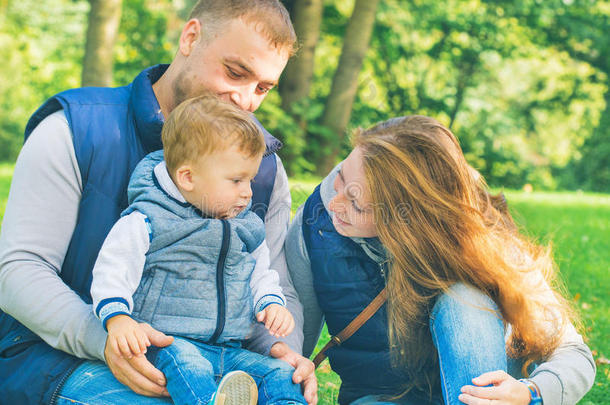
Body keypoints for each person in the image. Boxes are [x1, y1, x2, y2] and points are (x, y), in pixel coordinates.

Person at [0, 1, 317, 404]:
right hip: (55, 359)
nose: (246, 100)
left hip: (214, 360)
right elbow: (20, 271)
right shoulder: (75, 128)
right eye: (236, 73)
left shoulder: (265, 170)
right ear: (190, 38)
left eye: (263, 88)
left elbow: (275, 284)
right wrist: (111, 340)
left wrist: (281, 347)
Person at [285, 116, 596, 405]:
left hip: (476, 385)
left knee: (464, 297)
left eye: (358, 204)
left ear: (408, 220)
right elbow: (294, 338)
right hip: (381, 395)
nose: (335, 203)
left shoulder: (481, 236)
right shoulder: (316, 226)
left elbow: (573, 353)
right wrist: (288, 364)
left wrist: (532, 392)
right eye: (341, 177)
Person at [90, 94, 306, 405]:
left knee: (279, 374)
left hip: (229, 349)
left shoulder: (245, 225)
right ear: (188, 177)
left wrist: (271, 302)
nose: (247, 193)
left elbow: (261, 272)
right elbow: (114, 269)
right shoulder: (148, 219)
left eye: (250, 180)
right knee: (187, 367)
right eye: (236, 180)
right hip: (169, 343)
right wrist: (118, 319)